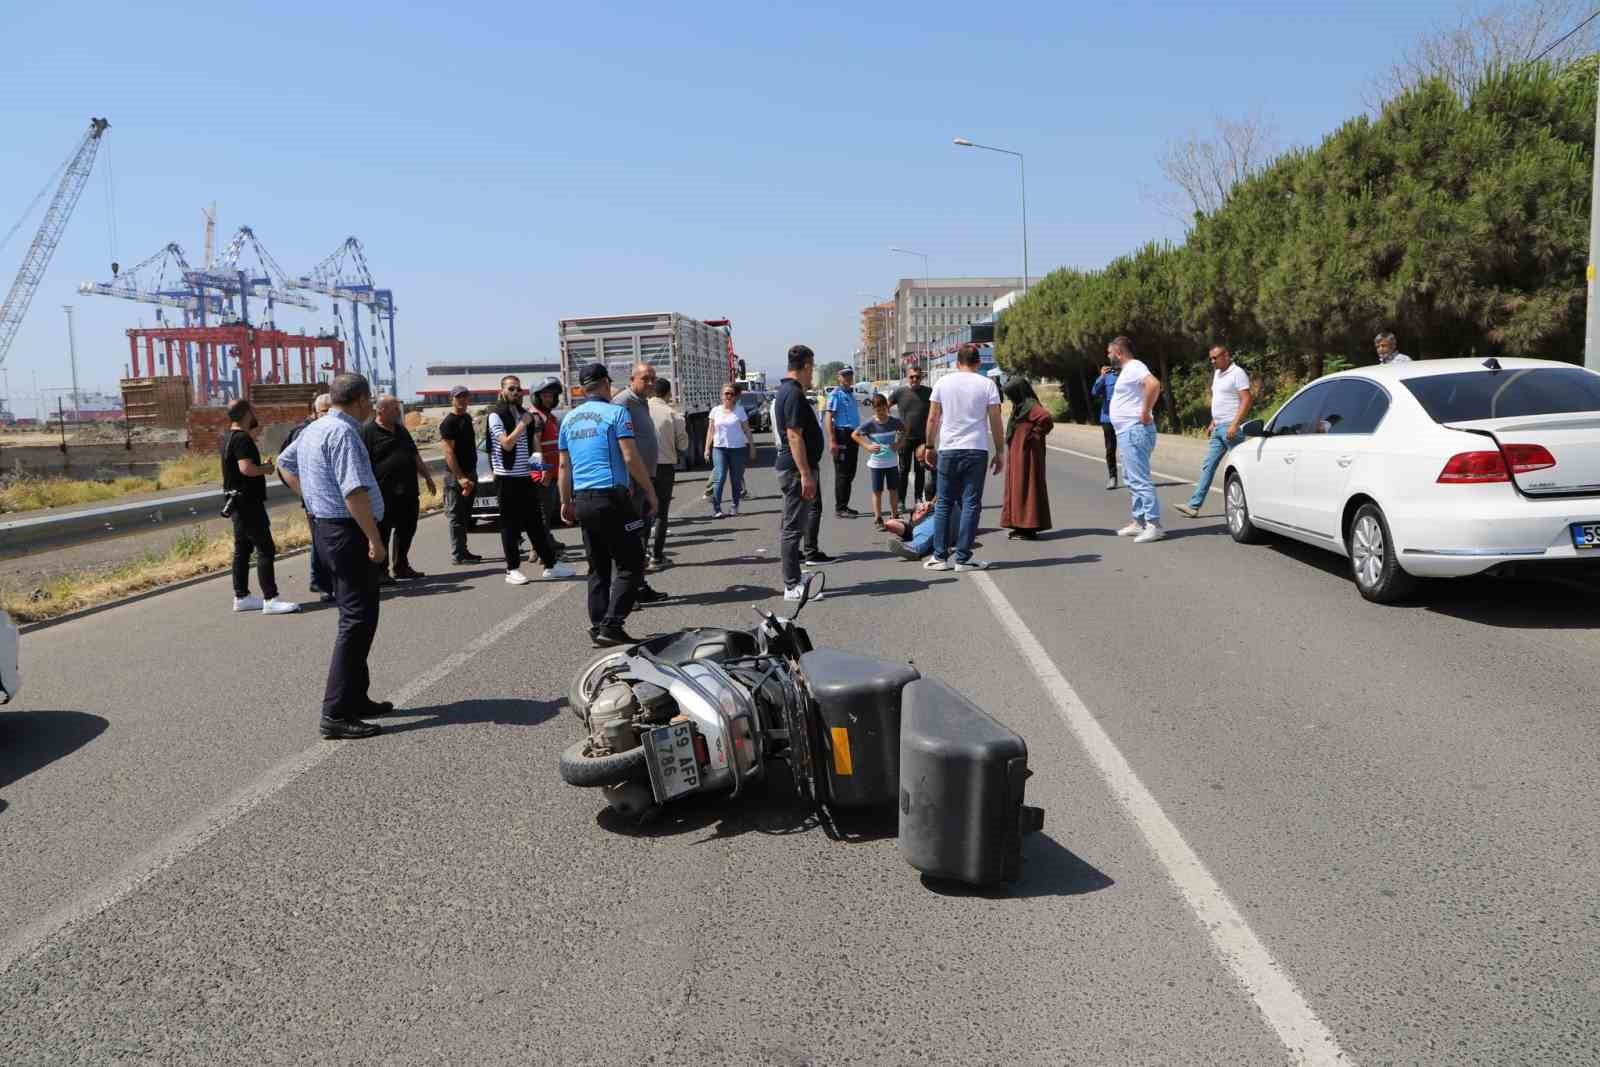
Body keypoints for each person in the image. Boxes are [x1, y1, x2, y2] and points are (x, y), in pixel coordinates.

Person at [277, 373, 392, 740]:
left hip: (327, 528)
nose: (372, 406)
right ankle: (336, 713)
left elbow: (284, 462)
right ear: (358, 400)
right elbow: (354, 490)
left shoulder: (315, 427)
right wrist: (374, 538)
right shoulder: (343, 433)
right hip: (348, 531)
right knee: (356, 621)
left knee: (357, 616)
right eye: (369, 400)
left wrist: (309, 499)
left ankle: (356, 697)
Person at [559, 363, 659, 647]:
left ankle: (598, 624)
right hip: (612, 498)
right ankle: (612, 624)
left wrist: (565, 502)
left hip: (583, 498)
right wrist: (650, 492)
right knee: (632, 563)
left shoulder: (570, 419)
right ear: (605, 383)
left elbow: (564, 466)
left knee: (598, 566)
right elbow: (630, 456)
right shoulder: (617, 413)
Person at [923, 343, 1003, 572]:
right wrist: (1000, 451)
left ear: (957, 363)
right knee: (971, 504)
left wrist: (929, 445)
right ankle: (963, 558)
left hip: (948, 449)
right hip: (976, 450)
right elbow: (995, 421)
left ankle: (939, 557)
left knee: (944, 503)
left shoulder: (942, 383)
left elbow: (932, 418)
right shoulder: (988, 384)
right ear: (978, 363)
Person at [488, 375, 574, 586]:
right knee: (509, 525)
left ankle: (551, 565)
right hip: (506, 479)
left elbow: (533, 447)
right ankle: (512, 569)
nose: (516, 393)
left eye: (518, 389)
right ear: (502, 391)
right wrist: (520, 425)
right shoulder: (495, 415)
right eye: (511, 389)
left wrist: (540, 470)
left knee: (535, 523)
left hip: (525, 478)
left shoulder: (525, 414)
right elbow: (506, 445)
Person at [221, 399, 300, 615]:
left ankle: (242, 596)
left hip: (236, 502)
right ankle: (270, 598)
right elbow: (246, 468)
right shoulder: (243, 438)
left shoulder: (227, 437)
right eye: (252, 412)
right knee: (265, 548)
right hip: (248, 503)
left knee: (243, 550)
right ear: (247, 414)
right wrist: (265, 468)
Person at [773, 344, 832, 600]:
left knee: (793, 525)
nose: (813, 374)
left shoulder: (787, 391)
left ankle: (794, 577)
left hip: (796, 468)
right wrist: (806, 473)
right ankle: (792, 585)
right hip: (797, 471)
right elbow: (794, 435)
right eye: (813, 367)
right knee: (793, 528)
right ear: (806, 366)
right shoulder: (793, 394)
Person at [362, 394, 436, 582]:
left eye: (397, 408)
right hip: (383, 494)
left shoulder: (401, 430)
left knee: (407, 530)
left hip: (408, 491)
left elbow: (414, 455)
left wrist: (428, 477)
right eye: (394, 408)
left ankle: (401, 566)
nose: (398, 411)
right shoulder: (367, 432)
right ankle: (380, 571)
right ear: (381, 410)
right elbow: (362, 464)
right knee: (383, 532)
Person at [612, 363, 669, 605]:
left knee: (642, 536)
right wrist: (628, 479)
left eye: (653, 379)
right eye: (645, 379)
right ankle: (626, 594)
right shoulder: (622, 402)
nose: (650, 383)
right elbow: (617, 444)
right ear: (632, 378)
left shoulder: (641, 400)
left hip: (646, 478)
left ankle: (640, 585)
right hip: (633, 482)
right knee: (630, 539)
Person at [1175, 345, 1253, 519]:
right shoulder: (1217, 374)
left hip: (1231, 429)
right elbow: (1220, 399)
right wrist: (1213, 422)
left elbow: (1247, 399)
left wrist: (1235, 424)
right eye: (1210, 358)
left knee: (1241, 469)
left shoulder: (1237, 373)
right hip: (1219, 428)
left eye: (1215, 357)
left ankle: (1251, 508)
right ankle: (1193, 506)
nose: (1212, 361)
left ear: (1226, 355)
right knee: (1208, 466)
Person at [1106, 336, 1165, 543]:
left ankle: (1153, 524)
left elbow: (1154, 384)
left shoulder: (1134, 367)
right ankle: (1138, 521)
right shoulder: (1128, 370)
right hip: (1127, 432)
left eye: (1110, 352)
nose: (1108, 355)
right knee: (1131, 479)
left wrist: (1146, 411)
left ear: (1119, 352)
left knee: (1140, 479)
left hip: (1134, 430)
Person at [282, 393, 334, 598]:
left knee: (324, 540)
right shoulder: (304, 433)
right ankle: (322, 584)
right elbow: (286, 465)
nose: (329, 414)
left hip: (327, 498)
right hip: (315, 499)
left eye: (332, 409)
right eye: (324, 410)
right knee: (322, 541)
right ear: (314, 413)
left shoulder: (330, 430)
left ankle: (323, 581)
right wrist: (305, 494)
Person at [999, 377, 1054, 541]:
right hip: (1019, 454)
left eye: (1011, 394)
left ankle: (1028, 528)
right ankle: (1019, 525)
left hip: (1028, 455)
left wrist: (1034, 435)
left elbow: (1046, 418)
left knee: (1027, 487)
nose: (1009, 398)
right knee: (1017, 487)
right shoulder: (1021, 406)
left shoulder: (1031, 406)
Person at [437, 385, 483, 565]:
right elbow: (449, 452)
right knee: (456, 516)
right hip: (457, 476)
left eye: (465, 396)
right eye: (459, 397)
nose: (463, 400)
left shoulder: (466, 418)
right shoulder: (449, 422)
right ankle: (458, 554)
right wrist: (460, 477)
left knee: (465, 516)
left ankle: (464, 551)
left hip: (470, 473)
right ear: (452, 400)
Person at [648, 378, 689, 568]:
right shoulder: (673, 414)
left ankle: (640, 556)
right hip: (664, 468)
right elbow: (683, 444)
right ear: (668, 394)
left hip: (641, 467)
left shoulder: (639, 410)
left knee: (641, 512)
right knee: (661, 513)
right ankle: (657, 556)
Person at [852, 393, 903, 530]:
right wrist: (867, 446)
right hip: (876, 464)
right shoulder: (870, 424)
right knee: (877, 491)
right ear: (873, 409)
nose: (880, 413)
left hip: (892, 462)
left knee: (893, 490)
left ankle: (894, 515)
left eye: (882, 409)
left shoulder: (894, 421)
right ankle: (878, 518)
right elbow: (855, 434)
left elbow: (905, 430)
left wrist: (898, 443)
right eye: (877, 410)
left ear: (887, 407)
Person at [706, 382, 755, 518]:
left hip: (737, 449)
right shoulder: (715, 411)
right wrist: (706, 449)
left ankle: (734, 505)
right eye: (726, 393)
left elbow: (746, 429)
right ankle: (717, 508)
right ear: (721, 395)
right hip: (719, 448)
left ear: (735, 397)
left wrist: (752, 446)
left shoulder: (739, 410)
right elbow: (710, 431)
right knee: (720, 477)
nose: (728, 396)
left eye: (731, 394)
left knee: (736, 478)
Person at [530, 376, 567, 533]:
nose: (549, 399)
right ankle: (539, 552)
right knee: (542, 513)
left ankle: (546, 541)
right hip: (543, 472)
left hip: (552, 472)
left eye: (551, 396)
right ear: (537, 397)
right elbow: (534, 444)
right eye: (545, 395)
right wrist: (541, 470)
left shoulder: (549, 417)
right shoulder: (537, 418)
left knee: (547, 511)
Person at [892, 366, 933, 504]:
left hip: (922, 439)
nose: (915, 379)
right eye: (912, 377)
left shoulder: (929, 392)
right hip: (904, 439)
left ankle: (918, 499)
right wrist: (893, 426)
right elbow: (883, 408)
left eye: (917, 377)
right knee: (903, 470)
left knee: (920, 470)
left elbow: (937, 411)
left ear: (921, 377)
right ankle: (900, 501)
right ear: (907, 377)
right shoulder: (899, 392)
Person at [825, 365, 862, 518]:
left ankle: (845, 505)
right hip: (841, 435)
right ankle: (840, 508)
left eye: (850, 375)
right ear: (838, 378)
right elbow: (829, 417)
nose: (848, 378)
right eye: (844, 375)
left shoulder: (850, 394)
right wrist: (832, 440)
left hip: (853, 435)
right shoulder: (836, 394)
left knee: (851, 472)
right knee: (842, 473)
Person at [1090, 363, 1119, 490]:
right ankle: (1112, 477)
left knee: (1128, 449)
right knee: (1110, 449)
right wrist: (1101, 376)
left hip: (1125, 418)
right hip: (1108, 418)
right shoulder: (1107, 376)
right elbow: (1095, 392)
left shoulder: (1128, 374)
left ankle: (1133, 477)